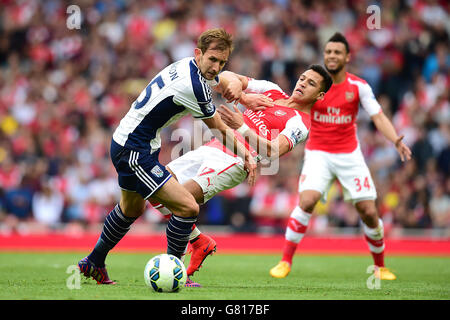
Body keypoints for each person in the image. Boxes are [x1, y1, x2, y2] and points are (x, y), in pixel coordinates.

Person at [77, 28, 261, 286]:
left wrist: (242, 95)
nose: (216, 67)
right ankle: (175, 273)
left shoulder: (187, 65)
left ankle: (94, 261)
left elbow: (217, 82)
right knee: (187, 207)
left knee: (132, 208)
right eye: (212, 60)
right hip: (134, 149)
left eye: (222, 62)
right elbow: (219, 128)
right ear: (199, 54)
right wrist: (246, 155)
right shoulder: (194, 85)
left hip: (131, 141)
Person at [151, 65, 332, 282]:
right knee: (155, 188)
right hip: (214, 145)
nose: (302, 83)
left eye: (311, 83)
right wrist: (244, 96)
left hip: (234, 161)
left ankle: (176, 271)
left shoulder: (300, 123)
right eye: (302, 78)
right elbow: (226, 77)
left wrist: (243, 127)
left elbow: (273, 151)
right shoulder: (271, 90)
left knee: (179, 199)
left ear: (320, 95)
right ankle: (199, 241)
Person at [269, 32, 412, 280]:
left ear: (347, 57)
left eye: (337, 52)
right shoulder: (315, 86)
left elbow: (377, 115)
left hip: (349, 154)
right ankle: (285, 261)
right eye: (328, 52)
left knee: (368, 211)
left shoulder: (358, 87)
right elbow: (291, 103)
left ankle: (380, 267)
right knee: (307, 201)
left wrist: (395, 138)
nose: (332, 56)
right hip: (318, 153)